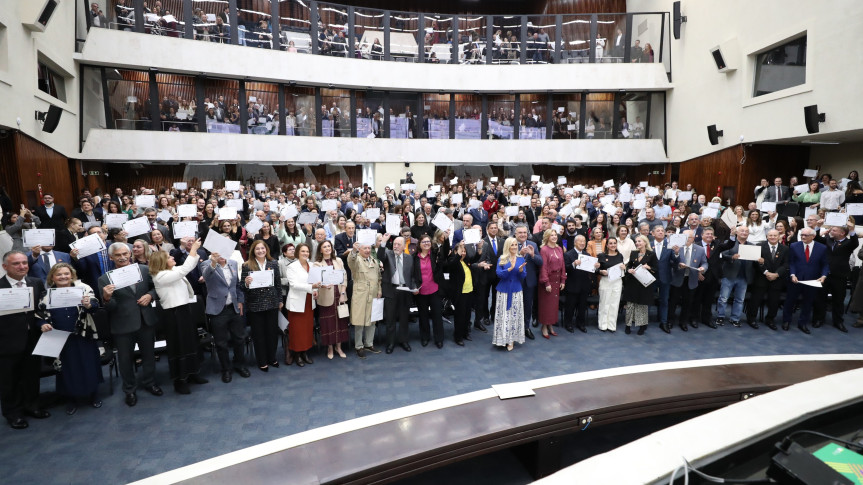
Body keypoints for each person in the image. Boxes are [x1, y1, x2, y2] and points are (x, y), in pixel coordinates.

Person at [98, 243, 162, 407]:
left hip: (145, 320)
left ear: (130, 254)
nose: (122, 257)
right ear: (111, 258)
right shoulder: (104, 279)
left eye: (125, 254)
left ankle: (150, 382)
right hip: (122, 326)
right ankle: (129, 390)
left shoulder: (144, 270)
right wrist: (106, 298)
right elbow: (109, 308)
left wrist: (150, 295)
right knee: (125, 360)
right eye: (118, 255)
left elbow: (157, 287)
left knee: (149, 355)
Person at [36, 263, 101, 415]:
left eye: (66, 273)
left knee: (89, 364)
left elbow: (95, 305)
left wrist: (89, 304)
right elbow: (38, 316)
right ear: (52, 277)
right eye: (59, 274)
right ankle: (71, 399)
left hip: (83, 334)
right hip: (59, 337)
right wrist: (43, 324)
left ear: (72, 275)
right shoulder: (46, 295)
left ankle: (94, 395)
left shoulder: (83, 288)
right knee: (66, 369)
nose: (63, 277)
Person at [149, 240, 207, 394]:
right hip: (173, 314)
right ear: (162, 262)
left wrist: (196, 253)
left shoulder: (172, 270)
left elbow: (188, 266)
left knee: (191, 342)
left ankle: (193, 373)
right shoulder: (160, 276)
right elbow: (185, 270)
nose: (173, 257)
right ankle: (180, 380)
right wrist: (193, 249)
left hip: (184, 310)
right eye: (169, 257)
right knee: (179, 346)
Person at [0, 251, 49, 429]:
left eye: (24, 263)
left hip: (32, 338)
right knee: (9, 379)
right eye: (16, 264)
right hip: (7, 341)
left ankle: (32, 406)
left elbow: (42, 308)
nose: (22, 266)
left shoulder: (35, 282)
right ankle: (13, 413)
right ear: (5, 267)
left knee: (31, 375)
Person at [200, 251, 249, 383]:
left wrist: (240, 300)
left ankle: (239, 364)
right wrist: (213, 262)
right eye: (218, 253)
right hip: (217, 310)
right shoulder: (207, 264)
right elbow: (206, 276)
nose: (221, 255)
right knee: (221, 343)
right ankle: (226, 369)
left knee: (239, 339)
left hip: (234, 307)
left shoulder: (233, 263)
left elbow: (237, 285)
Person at [241, 240, 284, 371]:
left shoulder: (273, 263)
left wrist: (280, 300)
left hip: (272, 303)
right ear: (253, 251)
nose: (260, 251)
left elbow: (278, 284)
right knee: (258, 335)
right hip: (255, 305)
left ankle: (272, 358)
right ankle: (262, 361)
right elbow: (242, 287)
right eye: (257, 249)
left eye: (262, 248)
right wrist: (246, 283)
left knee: (272, 333)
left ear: (266, 250)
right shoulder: (247, 265)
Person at [812, 221, 858, 332]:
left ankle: (838, 321)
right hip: (824, 275)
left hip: (839, 276)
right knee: (820, 298)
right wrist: (818, 226)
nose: (831, 231)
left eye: (834, 230)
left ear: (842, 233)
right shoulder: (828, 240)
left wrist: (852, 229)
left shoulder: (848, 243)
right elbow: (816, 238)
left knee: (838, 299)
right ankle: (819, 319)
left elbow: (855, 242)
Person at [378, 235, 420, 354]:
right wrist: (383, 242)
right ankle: (390, 343)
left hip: (405, 291)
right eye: (394, 244)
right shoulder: (388, 254)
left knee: (404, 318)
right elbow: (380, 256)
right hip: (390, 290)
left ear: (404, 246)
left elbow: (412, 276)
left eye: (398, 244)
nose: (395, 246)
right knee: (390, 319)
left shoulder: (409, 258)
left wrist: (414, 287)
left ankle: (404, 341)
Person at [782, 228, 829, 333]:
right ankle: (786, 321)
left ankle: (802, 323)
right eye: (802, 235)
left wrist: (824, 276)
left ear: (813, 236)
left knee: (808, 302)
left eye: (806, 235)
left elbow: (825, 264)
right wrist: (792, 274)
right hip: (795, 279)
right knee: (790, 301)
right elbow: (791, 262)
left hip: (812, 280)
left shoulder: (822, 248)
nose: (803, 237)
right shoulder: (794, 246)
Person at [745, 229, 789, 330]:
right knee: (755, 300)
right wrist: (766, 272)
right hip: (761, 278)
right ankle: (751, 318)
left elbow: (786, 264)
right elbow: (755, 263)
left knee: (774, 301)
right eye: (770, 235)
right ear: (767, 237)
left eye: (775, 235)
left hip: (777, 279)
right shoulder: (759, 246)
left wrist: (776, 274)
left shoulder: (785, 249)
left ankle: (770, 319)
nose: (772, 237)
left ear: (779, 236)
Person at [313, 240, 350, 359]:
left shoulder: (338, 260)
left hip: (339, 295)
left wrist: (343, 292)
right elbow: (315, 282)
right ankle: (330, 348)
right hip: (326, 297)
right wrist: (322, 285)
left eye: (329, 246)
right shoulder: (317, 264)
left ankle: (339, 347)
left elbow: (344, 277)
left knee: (340, 323)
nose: (327, 248)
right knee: (328, 324)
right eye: (324, 247)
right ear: (320, 250)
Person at [714, 226, 756, 328]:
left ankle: (735, 318)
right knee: (723, 298)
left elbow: (754, 261)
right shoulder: (729, 243)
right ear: (736, 232)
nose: (744, 233)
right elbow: (722, 255)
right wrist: (732, 257)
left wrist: (759, 259)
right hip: (729, 274)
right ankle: (720, 316)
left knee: (740, 299)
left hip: (744, 276)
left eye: (746, 231)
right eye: (742, 231)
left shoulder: (752, 246)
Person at [347, 241, 382, 358]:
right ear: (360, 250)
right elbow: (351, 261)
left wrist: (379, 290)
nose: (367, 250)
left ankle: (369, 344)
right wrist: (353, 251)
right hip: (361, 294)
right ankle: (359, 346)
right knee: (359, 321)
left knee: (372, 320)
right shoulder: (356, 260)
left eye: (369, 248)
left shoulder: (374, 260)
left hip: (374, 293)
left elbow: (379, 277)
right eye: (365, 248)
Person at [667, 230, 707, 332]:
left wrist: (703, 268)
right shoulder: (676, 247)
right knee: (673, 302)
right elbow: (670, 261)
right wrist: (678, 263)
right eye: (683, 237)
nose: (685, 239)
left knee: (688, 302)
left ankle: (683, 322)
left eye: (688, 237)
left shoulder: (700, 249)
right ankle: (670, 321)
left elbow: (705, 263)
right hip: (677, 278)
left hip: (691, 279)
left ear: (693, 238)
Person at [414, 234, 448, 348]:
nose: (426, 243)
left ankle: (439, 339)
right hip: (420, 292)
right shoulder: (414, 257)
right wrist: (414, 287)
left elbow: (445, 251)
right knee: (423, 316)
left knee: (437, 316)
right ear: (419, 244)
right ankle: (425, 337)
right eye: (424, 242)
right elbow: (412, 274)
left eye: (428, 241)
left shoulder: (435, 254)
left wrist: (446, 238)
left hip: (435, 290)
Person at [285, 243, 316, 366]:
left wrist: (316, 291)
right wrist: (311, 287)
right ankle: (297, 354)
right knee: (297, 331)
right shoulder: (291, 267)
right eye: (303, 251)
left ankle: (305, 352)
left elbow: (315, 282)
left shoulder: (312, 265)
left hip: (309, 301)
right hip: (296, 303)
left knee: (307, 330)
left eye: (307, 251)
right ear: (297, 252)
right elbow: (293, 285)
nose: (305, 253)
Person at [493, 237, 526, 351]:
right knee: (503, 315)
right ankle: (501, 339)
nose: (514, 247)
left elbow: (523, 276)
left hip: (516, 290)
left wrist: (521, 271)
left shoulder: (521, 259)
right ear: (508, 246)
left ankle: (511, 340)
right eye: (512, 245)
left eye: (516, 245)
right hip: (504, 291)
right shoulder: (502, 258)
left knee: (514, 316)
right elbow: (499, 274)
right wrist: (509, 269)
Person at [473, 221, 505, 332]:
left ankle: (493, 314)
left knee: (496, 296)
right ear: (487, 230)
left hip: (498, 274)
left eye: (495, 228)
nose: (494, 229)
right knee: (485, 296)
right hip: (485, 274)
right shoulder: (483, 242)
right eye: (492, 228)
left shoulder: (502, 241)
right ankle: (485, 316)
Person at [622, 235, 657, 335]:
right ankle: (628, 326)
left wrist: (649, 267)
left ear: (645, 242)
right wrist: (629, 270)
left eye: (639, 241)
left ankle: (642, 326)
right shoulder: (633, 253)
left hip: (644, 284)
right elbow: (629, 266)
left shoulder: (651, 254)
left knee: (642, 306)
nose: (637, 243)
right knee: (630, 306)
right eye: (636, 241)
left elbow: (656, 269)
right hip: (632, 283)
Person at [446, 241, 478, 346]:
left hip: (469, 292)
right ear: (455, 252)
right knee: (460, 316)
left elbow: (476, 258)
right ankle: (458, 336)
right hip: (460, 294)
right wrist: (459, 249)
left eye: (464, 251)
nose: (463, 253)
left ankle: (465, 333)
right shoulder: (453, 261)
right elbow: (453, 263)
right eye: (461, 251)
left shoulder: (466, 261)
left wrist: (479, 248)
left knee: (467, 315)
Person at [514, 224, 542, 340]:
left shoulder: (533, 245)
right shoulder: (511, 244)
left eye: (524, 232)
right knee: (515, 306)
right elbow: (505, 261)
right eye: (520, 232)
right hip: (515, 281)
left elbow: (540, 262)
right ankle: (515, 329)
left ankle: (526, 327)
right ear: (515, 234)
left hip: (529, 281)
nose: (523, 235)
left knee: (527, 306)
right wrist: (519, 255)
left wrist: (532, 255)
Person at [538, 229, 566, 338]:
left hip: (557, 280)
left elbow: (563, 265)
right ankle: (544, 326)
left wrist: (563, 280)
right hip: (548, 281)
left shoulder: (559, 248)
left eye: (555, 235)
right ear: (547, 237)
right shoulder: (544, 250)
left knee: (553, 306)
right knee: (546, 305)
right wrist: (546, 283)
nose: (554, 237)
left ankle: (550, 325)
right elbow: (543, 267)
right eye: (552, 235)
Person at [596, 237, 626, 332]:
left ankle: (611, 325)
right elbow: (596, 269)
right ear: (607, 245)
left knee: (614, 304)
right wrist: (601, 271)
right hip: (606, 281)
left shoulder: (620, 256)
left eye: (614, 243)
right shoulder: (601, 256)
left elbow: (622, 269)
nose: (613, 245)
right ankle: (603, 325)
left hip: (617, 281)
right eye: (611, 243)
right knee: (604, 303)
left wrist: (624, 267)